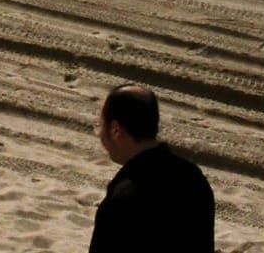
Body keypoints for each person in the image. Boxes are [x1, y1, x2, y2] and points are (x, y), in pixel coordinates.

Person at [90, 84, 215, 252]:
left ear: (115, 130)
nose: (99, 132)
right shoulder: (194, 178)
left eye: (100, 124)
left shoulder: (123, 198)